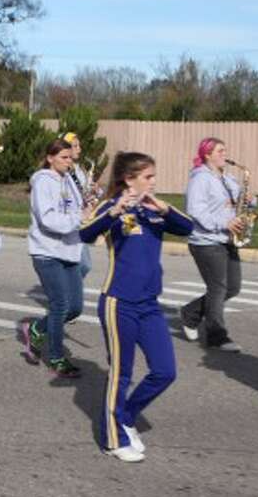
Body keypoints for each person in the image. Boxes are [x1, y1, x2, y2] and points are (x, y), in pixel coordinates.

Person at [78, 152, 194, 462]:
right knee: (122, 373)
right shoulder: (112, 207)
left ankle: (126, 416)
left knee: (165, 371)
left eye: (153, 176)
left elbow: (188, 228)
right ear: (129, 179)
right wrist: (115, 211)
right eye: (147, 177)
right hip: (119, 302)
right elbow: (85, 234)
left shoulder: (154, 208)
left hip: (149, 304)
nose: (153, 182)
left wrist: (164, 208)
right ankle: (111, 438)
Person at [19, 139, 85, 378]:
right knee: (60, 305)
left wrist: (89, 207)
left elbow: (77, 208)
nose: (69, 162)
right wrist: (79, 217)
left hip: (69, 249)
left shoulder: (69, 180)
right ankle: (56, 358)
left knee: (75, 307)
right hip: (47, 251)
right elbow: (48, 219)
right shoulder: (42, 182)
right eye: (64, 158)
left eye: (70, 158)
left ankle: (37, 328)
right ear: (50, 158)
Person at [180, 138, 253, 353]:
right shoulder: (200, 179)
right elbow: (196, 210)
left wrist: (249, 199)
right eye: (220, 151)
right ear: (207, 155)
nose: (224, 154)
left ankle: (190, 313)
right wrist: (224, 223)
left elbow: (238, 201)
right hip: (206, 241)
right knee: (218, 287)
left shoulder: (227, 178)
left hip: (227, 238)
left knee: (232, 287)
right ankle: (217, 335)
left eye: (225, 150)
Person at [62, 132, 102, 281]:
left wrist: (95, 190)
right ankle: (66, 288)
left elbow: (86, 191)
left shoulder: (81, 169)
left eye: (79, 145)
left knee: (82, 265)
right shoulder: (63, 170)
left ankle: (67, 287)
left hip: (80, 221)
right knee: (83, 264)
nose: (79, 149)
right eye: (75, 146)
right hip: (69, 220)